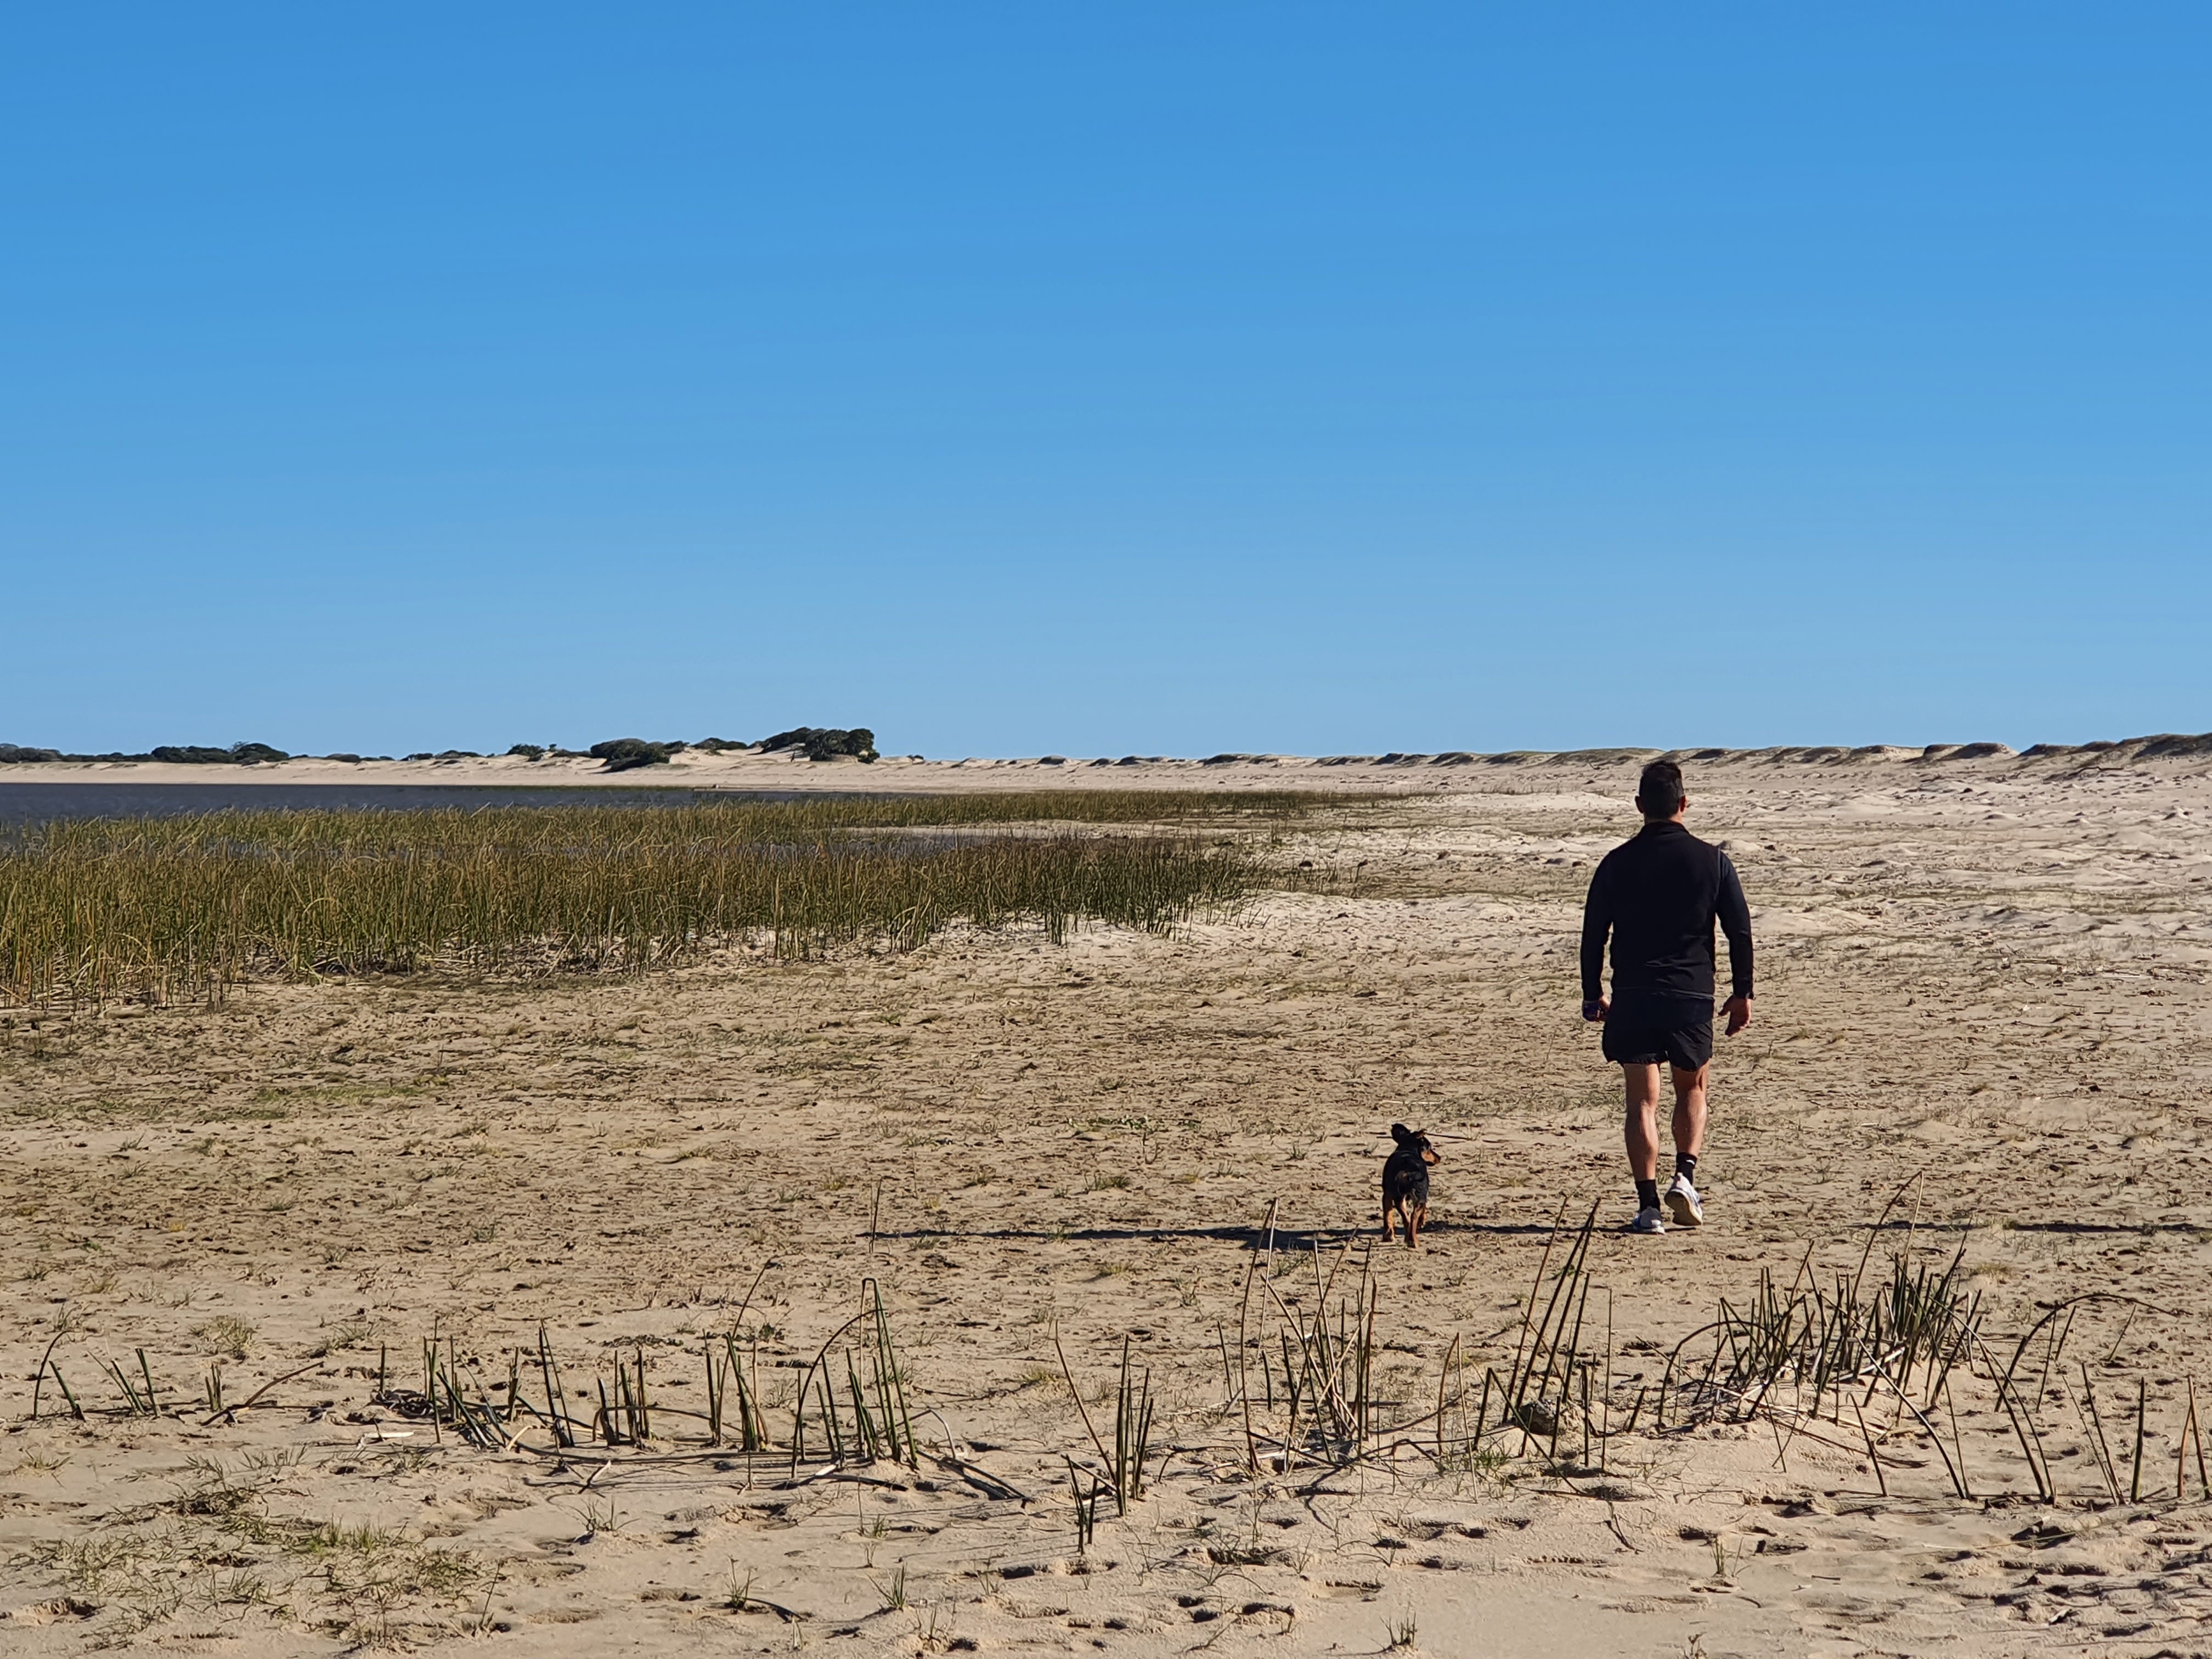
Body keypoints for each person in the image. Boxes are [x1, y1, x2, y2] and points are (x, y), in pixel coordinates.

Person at [1579, 760, 1753, 1234]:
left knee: (1641, 1100)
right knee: (1692, 1089)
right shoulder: (1713, 862)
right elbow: (1739, 932)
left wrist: (1592, 993)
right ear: (1684, 803)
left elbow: (1593, 934)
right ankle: (1686, 1175)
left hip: (1634, 995)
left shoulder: (1615, 863)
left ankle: (1648, 1205)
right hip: (1690, 995)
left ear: (1640, 807)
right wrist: (1742, 994)